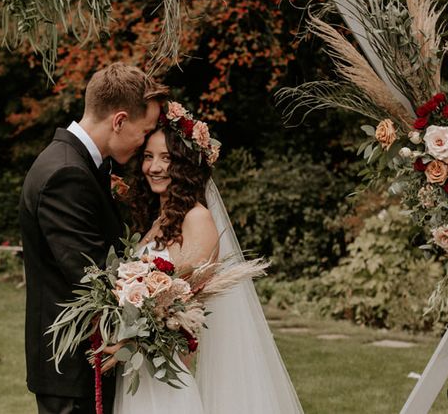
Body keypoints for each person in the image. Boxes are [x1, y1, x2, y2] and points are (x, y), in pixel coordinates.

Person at [112, 102, 305, 413]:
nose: (154, 167)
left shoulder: (197, 219)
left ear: (185, 166)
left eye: (167, 158)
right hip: (143, 363)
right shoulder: (159, 219)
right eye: (148, 157)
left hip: (166, 368)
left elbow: (181, 298)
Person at [19, 63, 168, 414]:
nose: (144, 140)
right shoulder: (67, 173)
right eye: (144, 130)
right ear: (118, 121)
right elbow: (93, 277)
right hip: (74, 367)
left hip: (85, 362)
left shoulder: (77, 163)